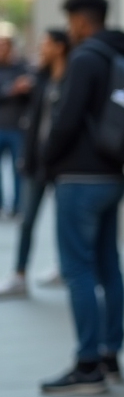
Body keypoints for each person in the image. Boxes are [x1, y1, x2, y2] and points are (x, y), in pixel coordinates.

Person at [38, 0, 124, 395]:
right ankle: (110, 354)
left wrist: (45, 160)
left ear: (81, 21)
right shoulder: (117, 54)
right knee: (109, 265)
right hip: (112, 176)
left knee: (77, 270)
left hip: (79, 178)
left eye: (70, 22)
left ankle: (87, 364)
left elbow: (65, 120)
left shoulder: (83, 59)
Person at [0, 29, 69, 299]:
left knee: (63, 221)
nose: (41, 48)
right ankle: (19, 274)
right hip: (35, 159)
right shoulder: (38, 77)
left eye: (46, 44)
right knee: (27, 220)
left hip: (62, 162)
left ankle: (62, 267)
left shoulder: (70, 79)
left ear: (59, 47)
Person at [0, 33, 33, 219]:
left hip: (17, 127)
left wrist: (24, 88)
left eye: (6, 45)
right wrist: (11, 89)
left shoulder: (21, 68)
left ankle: (17, 207)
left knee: (18, 169)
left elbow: (32, 94)